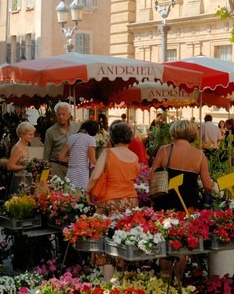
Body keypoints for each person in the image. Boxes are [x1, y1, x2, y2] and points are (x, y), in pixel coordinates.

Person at [150, 120, 213, 278]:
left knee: (164, 240)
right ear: (192, 134)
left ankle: (165, 277)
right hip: (188, 203)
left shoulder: (164, 151)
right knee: (182, 241)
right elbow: (208, 186)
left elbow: (151, 176)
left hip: (165, 201)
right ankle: (178, 279)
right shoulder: (199, 156)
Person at [85, 121, 140, 281]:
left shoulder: (108, 153)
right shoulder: (134, 157)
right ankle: (125, 280)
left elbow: (96, 175)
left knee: (106, 241)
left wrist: (87, 191)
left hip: (109, 201)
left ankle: (108, 282)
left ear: (112, 137)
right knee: (125, 240)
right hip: (130, 202)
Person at [43, 102, 80, 178]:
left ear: (69, 115)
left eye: (63, 114)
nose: (61, 117)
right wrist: (46, 171)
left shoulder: (76, 127)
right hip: (56, 167)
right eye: (58, 114)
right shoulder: (50, 131)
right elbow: (46, 154)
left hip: (73, 167)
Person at [60, 120, 99, 190]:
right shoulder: (90, 139)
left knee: (69, 195)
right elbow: (92, 160)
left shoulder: (72, 137)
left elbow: (61, 157)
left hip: (70, 173)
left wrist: (73, 160)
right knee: (81, 196)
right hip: (82, 174)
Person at [6, 121, 36, 194]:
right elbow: (10, 166)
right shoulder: (18, 148)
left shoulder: (25, 146)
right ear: (22, 135)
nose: (33, 136)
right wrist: (25, 167)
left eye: (33, 134)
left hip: (27, 179)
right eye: (30, 134)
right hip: (19, 180)